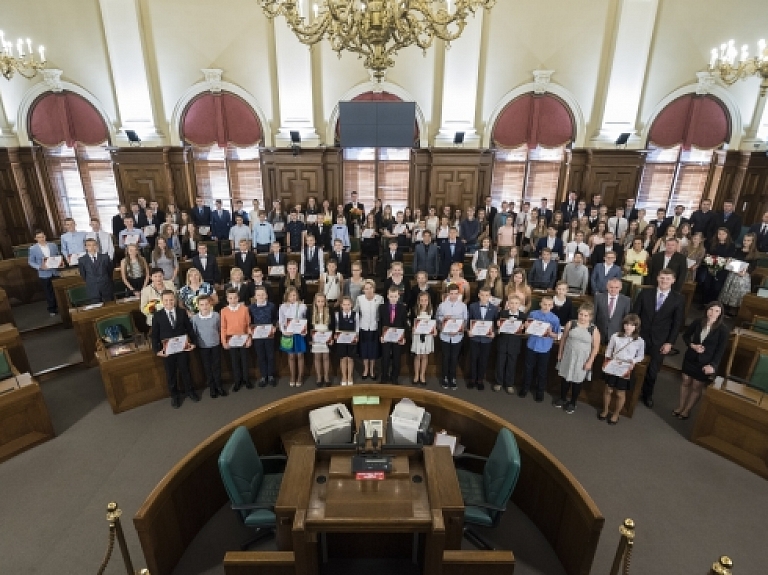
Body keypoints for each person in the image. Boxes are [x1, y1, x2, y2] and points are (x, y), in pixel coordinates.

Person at [633, 268, 685, 408]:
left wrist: (670, 343)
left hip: (660, 341)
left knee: (652, 370)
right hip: (640, 338)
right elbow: (635, 315)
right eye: (662, 278)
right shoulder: (645, 293)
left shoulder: (678, 299)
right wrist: (633, 335)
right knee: (635, 366)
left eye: (668, 279)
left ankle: (647, 394)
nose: (664, 281)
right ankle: (633, 391)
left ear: (673, 281)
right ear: (657, 278)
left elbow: (677, 324)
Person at [674, 301, 729, 420]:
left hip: (705, 362)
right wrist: (692, 346)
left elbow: (720, 351)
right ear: (707, 310)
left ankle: (687, 410)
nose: (713, 313)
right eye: (711, 309)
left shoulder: (723, 330)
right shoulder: (698, 322)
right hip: (691, 358)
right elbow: (686, 336)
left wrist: (713, 365)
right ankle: (681, 406)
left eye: (716, 311)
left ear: (720, 314)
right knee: (685, 382)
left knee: (696, 386)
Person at [152, 290, 197, 408]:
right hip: (167, 351)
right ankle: (175, 396)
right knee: (171, 374)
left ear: (175, 300)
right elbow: (155, 335)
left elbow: (190, 329)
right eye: (166, 300)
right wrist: (157, 350)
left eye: (171, 299)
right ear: (162, 301)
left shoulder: (182, 312)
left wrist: (194, 343)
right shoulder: (157, 315)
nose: (169, 302)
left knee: (186, 371)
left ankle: (190, 391)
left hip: (183, 349)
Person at [554, 303, 601, 414]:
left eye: (586, 315)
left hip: (582, 359)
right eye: (581, 314)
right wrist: (560, 353)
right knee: (565, 378)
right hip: (568, 356)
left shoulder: (593, 329)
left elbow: (595, 348)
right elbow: (563, 339)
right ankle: (562, 398)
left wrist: (590, 362)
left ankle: (573, 402)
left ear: (590, 317)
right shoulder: (571, 324)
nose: (583, 317)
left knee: (577, 381)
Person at [600, 314, 645, 425]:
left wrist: (633, 361)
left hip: (626, 367)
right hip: (613, 364)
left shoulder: (639, 341)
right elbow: (609, 350)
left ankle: (616, 414)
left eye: (632, 325)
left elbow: (641, 356)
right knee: (608, 390)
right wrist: (607, 360)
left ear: (636, 327)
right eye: (626, 324)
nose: (628, 327)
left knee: (620, 393)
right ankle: (605, 410)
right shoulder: (615, 336)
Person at [518, 295, 561, 402]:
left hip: (544, 348)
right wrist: (526, 326)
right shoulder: (533, 314)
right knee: (528, 368)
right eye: (544, 304)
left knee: (542, 371)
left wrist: (551, 333)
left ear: (552, 306)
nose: (546, 307)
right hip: (531, 345)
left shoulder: (555, 319)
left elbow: (558, 335)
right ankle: (525, 388)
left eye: (549, 305)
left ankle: (539, 392)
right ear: (540, 304)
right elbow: (526, 328)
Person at [191, 295, 227, 398]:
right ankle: (212, 387)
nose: (205, 307)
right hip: (203, 347)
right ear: (198, 306)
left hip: (215, 344)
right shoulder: (195, 318)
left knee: (217, 366)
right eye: (202, 305)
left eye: (206, 304)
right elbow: (194, 332)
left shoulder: (216, 315)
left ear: (210, 304)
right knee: (207, 367)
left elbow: (220, 328)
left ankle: (219, 386)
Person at [436, 283, 468, 390]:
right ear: (448, 294)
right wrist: (444, 319)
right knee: (446, 357)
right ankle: (444, 377)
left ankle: (453, 378)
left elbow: (465, 321)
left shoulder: (463, 306)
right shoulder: (442, 305)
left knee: (454, 358)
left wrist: (459, 329)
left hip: (457, 336)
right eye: (451, 293)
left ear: (458, 294)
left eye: (455, 293)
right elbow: (437, 319)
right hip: (445, 336)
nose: (453, 296)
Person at [467, 286, 499, 391]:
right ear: (478, 295)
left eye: (487, 295)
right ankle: (472, 379)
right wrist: (468, 331)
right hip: (474, 338)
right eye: (482, 295)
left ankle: (480, 379)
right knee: (473, 359)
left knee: (483, 360)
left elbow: (496, 323)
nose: (484, 297)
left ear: (490, 296)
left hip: (487, 339)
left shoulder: (494, 308)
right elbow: (468, 321)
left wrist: (494, 332)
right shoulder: (472, 306)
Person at [719, 232, 758, 316]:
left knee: (738, 293)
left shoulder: (754, 253)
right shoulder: (738, 250)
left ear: (752, 242)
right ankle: (725, 308)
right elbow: (734, 260)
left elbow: (752, 267)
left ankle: (733, 310)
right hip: (733, 273)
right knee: (728, 290)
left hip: (743, 276)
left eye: (748, 240)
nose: (745, 242)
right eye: (744, 240)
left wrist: (745, 271)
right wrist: (730, 262)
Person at [493, 294, 527, 394]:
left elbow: (525, 331)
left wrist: (524, 327)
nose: (513, 305)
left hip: (515, 343)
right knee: (500, 363)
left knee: (511, 365)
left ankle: (509, 384)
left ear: (520, 305)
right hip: (503, 342)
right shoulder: (502, 313)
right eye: (511, 303)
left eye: (516, 303)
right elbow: (497, 328)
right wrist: (498, 326)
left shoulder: (523, 316)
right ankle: (498, 382)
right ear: (508, 304)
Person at [221, 287, 252, 391]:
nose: (233, 300)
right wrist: (224, 341)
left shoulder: (244, 309)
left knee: (244, 360)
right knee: (234, 362)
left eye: (235, 298)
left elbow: (248, 324)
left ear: (238, 298)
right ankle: (237, 381)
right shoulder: (224, 311)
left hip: (243, 339)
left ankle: (246, 380)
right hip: (231, 340)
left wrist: (249, 338)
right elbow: (223, 327)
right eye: (230, 298)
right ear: (227, 299)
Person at [248, 285, 278, 387]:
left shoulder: (272, 306)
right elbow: (250, 321)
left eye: (262, 294)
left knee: (270, 356)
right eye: (258, 295)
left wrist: (274, 326)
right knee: (261, 356)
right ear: (255, 296)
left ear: (266, 295)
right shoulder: (251, 308)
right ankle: (263, 376)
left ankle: (270, 375)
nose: (260, 296)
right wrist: (250, 330)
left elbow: (275, 319)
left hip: (269, 335)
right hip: (257, 337)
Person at [28, 230, 63, 316]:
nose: (42, 239)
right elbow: (31, 262)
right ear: (35, 238)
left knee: (59, 291)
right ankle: (52, 309)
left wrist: (60, 263)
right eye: (39, 237)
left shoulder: (53, 245)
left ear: (45, 236)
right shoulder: (33, 249)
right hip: (44, 273)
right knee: (49, 292)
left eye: (43, 237)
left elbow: (58, 256)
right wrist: (40, 267)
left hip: (55, 272)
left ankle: (62, 307)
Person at [279, 287, 308, 388]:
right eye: (290, 295)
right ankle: (292, 376)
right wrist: (284, 331)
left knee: (300, 355)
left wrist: (304, 330)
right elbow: (281, 321)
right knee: (291, 356)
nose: (293, 297)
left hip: (299, 334)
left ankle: (300, 376)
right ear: (287, 296)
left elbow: (305, 320)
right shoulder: (283, 307)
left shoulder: (302, 306)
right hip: (289, 334)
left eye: (294, 295)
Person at [378, 286, 408, 384]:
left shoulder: (403, 308)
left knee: (396, 358)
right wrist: (381, 336)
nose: (393, 298)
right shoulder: (382, 307)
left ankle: (394, 377)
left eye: (395, 296)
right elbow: (380, 323)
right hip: (385, 337)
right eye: (391, 296)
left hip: (397, 337)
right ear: (387, 296)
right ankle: (384, 376)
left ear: (398, 296)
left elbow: (405, 324)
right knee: (385, 357)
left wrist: (404, 337)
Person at [701, 227, 737, 304]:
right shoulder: (712, 243)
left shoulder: (731, 245)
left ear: (727, 235)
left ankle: (713, 303)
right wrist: (710, 260)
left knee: (716, 287)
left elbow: (729, 257)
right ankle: (704, 303)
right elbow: (708, 254)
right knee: (707, 285)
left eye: (723, 234)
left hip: (722, 270)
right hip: (710, 267)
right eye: (719, 234)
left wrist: (721, 261)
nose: (721, 235)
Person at [355, 280, 382, 381]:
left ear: (374, 288)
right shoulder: (360, 299)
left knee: (373, 351)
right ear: (363, 290)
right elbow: (356, 314)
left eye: (370, 288)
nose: (369, 290)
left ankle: (372, 370)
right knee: (364, 351)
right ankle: (365, 369)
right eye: (366, 288)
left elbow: (381, 315)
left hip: (375, 328)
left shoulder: (380, 298)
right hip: (363, 327)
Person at [308, 293, 336, 387]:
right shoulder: (311, 311)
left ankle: (326, 377)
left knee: (326, 357)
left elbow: (333, 326)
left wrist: (332, 338)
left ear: (325, 302)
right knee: (317, 358)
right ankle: (319, 377)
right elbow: (308, 326)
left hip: (326, 337)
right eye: (318, 301)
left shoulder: (329, 310)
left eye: (322, 301)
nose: (320, 303)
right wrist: (309, 338)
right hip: (315, 338)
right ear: (315, 302)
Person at [594, 278, 631, 345]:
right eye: (611, 287)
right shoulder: (598, 297)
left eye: (616, 287)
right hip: (599, 333)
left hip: (617, 336)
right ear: (607, 287)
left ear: (620, 288)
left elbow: (626, 319)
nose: (613, 290)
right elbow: (594, 315)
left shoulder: (626, 300)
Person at [410, 291, 436, 386]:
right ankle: (416, 375)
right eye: (422, 300)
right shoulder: (414, 310)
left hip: (428, 336)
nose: (424, 302)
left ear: (429, 301)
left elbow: (434, 323)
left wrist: (435, 330)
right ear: (418, 301)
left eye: (426, 300)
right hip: (417, 336)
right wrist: (412, 328)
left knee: (425, 356)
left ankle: (422, 375)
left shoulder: (432, 310)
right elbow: (410, 322)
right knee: (417, 356)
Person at [78, 238, 114, 303]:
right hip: (92, 288)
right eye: (89, 245)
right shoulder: (82, 260)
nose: (92, 247)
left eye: (93, 245)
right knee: (96, 307)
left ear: (97, 246)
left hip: (106, 286)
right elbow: (83, 274)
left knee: (110, 305)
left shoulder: (105, 257)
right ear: (86, 247)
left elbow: (110, 271)